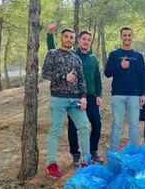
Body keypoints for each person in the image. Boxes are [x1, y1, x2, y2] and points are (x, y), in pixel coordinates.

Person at [46, 25, 103, 167]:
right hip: (66, 96)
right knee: (65, 128)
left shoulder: (87, 58)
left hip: (83, 97)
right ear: (79, 41)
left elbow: (92, 78)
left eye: (88, 40)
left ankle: (90, 155)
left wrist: (94, 95)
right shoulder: (64, 54)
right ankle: (70, 156)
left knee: (91, 125)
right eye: (83, 39)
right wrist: (49, 35)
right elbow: (51, 61)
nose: (86, 41)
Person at [42, 28, 90, 179]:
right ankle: (51, 164)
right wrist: (64, 77)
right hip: (58, 98)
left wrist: (83, 97)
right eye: (66, 37)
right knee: (55, 130)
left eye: (71, 37)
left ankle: (85, 161)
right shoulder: (53, 53)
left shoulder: (76, 58)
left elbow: (82, 79)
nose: (69, 39)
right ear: (61, 38)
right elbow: (45, 73)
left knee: (84, 126)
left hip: (75, 99)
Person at [104, 26, 145, 151]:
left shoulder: (138, 56)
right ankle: (113, 152)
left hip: (134, 95)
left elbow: (142, 76)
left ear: (132, 37)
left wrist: (143, 93)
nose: (127, 37)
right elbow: (107, 73)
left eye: (129, 35)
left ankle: (134, 152)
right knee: (117, 124)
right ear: (121, 37)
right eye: (124, 35)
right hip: (118, 95)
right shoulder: (114, 54)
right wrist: (120, 66)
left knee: (134, 125)